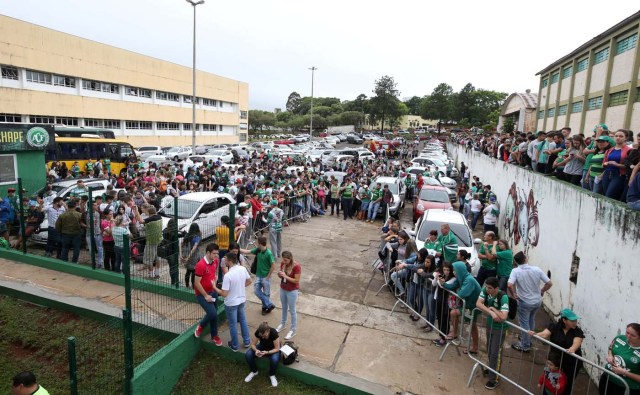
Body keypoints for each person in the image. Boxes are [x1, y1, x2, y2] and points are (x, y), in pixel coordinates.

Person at [531, 308, 584, 394]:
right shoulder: (555, 326)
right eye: (572, 321)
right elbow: (545, 334)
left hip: (571, 363)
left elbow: (577, 341)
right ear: (564, 320)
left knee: (566, 383)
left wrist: (572, 349)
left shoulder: (577, 331)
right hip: (556, 361)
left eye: (576, 320)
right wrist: (536, 334)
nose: (575, 323)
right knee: (550, 378)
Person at [508, 251, 553, 352]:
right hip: (537, 301)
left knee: (524, 324)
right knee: (531, 320)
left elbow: (510, 285)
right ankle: (527, 338)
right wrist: (542, 290)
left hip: (524, 302)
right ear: (525, 259)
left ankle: (525, 345)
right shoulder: (536, 269)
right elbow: (549, 283)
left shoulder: (516, 271)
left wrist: (513, 295)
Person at [212, 252, 252, 351]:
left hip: (231, 303)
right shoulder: (242, 269)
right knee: (243, 320)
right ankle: (247, 341)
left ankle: (234, 345)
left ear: (229, 261)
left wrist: (214, 287)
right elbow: (249, 281)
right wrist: (240, 287)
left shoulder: (228, 275)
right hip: (241, 300)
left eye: (225, 259)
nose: (224, 260)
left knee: (233, 324)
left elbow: (224, 294)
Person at [476, 277, 510, 391]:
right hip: (490, 325)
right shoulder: (486, 290)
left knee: (496, 353)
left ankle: (494, 379)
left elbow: (504, 316)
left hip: (500, 328)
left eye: (490, 288)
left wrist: (495, 310)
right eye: (486, 287)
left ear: (496, 288)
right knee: (489, 349)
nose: (487, 289)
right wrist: (491, 312)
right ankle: (492, 369)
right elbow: (478, 303)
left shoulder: (503, 297)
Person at [442, 260, 481, 354]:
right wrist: (443, 283)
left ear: (460, 270)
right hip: (468, 305)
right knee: (471, 325)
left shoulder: (469, 280)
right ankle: (457, 334)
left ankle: (474, 347)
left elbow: (461, 294)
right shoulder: (461, 277)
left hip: (473, 306)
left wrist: (459, 289)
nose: (453, 272)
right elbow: (452, 287)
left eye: (455, 270)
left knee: (471, 325)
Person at [599, 322, 640, 395]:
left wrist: (624, 372)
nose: (628, 336)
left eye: (633, 335)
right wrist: (610, 355)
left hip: (626, 387)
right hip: (607, 377)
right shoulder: (619, 338)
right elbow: (611, 348)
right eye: (627, 332)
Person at [193, 243, 222, 346]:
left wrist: (215, 279)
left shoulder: (215, 261)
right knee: (212, 313)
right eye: (214, 253)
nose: (216, 255)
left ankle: (214, 335)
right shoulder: (200, 265)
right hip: (201, 294)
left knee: (214, 314)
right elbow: (196, 283)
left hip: (213, 291)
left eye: (217, 253)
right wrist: (205, 295)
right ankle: (201, 326)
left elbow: (215, 272)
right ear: (208, 253)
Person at [241, 236, 276, 315]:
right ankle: (269, 304)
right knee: (257, 291)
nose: (257, 245)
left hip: (265, 277)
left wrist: (268, 277)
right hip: (259, 276)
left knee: (266, 293)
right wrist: (237, 249)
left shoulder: (268, 253)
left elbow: (273, 266)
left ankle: (264, 308)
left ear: (260, 244)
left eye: (257, 244)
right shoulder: (258, 250)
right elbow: (247, 251)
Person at [244, 321, 281, 388]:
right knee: (248, 354)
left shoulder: (274, 333)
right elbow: (253, 344)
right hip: (262, 346)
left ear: (268, 331)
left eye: (264, 336)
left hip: (273, 349)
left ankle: (272, 375)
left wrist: (267, 352)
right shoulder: (258, 332)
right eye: (261, 336)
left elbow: (277, 348)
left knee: (274, 359)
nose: (263, 337)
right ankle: (254, 371)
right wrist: (256, 350)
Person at [276, 250, 301, 341]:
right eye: (283, 260)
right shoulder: (283, 264)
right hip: (283, 288)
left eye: (286, 260)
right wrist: (280, 274)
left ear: (290, 259)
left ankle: (293, 330)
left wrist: (285, 276)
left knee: (292, 310)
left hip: (292, 291)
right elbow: (281, 276)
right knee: (284, 307)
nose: (284, 262)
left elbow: (296, 281)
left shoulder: (296, 266)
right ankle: (282, 324)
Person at [133, 204, 163, 278]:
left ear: (149, 213)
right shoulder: (159, 217)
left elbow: (140, 221)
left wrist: (136, 210)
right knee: (157, 257)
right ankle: (157, 273)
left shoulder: (150, 219)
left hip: (151, 241)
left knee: (149, 259)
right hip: (159, 240)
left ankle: (151, 275)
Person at [181, 223, 202, 289]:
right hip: (194, 256)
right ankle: (193, 286)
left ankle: (187, 285)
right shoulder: (197, 236)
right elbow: (195, 247)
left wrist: (182, 255)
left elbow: (181, 244)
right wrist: (189, 256)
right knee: (194, 271)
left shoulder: (187, 235)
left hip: (186, 255)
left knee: (188, 271)